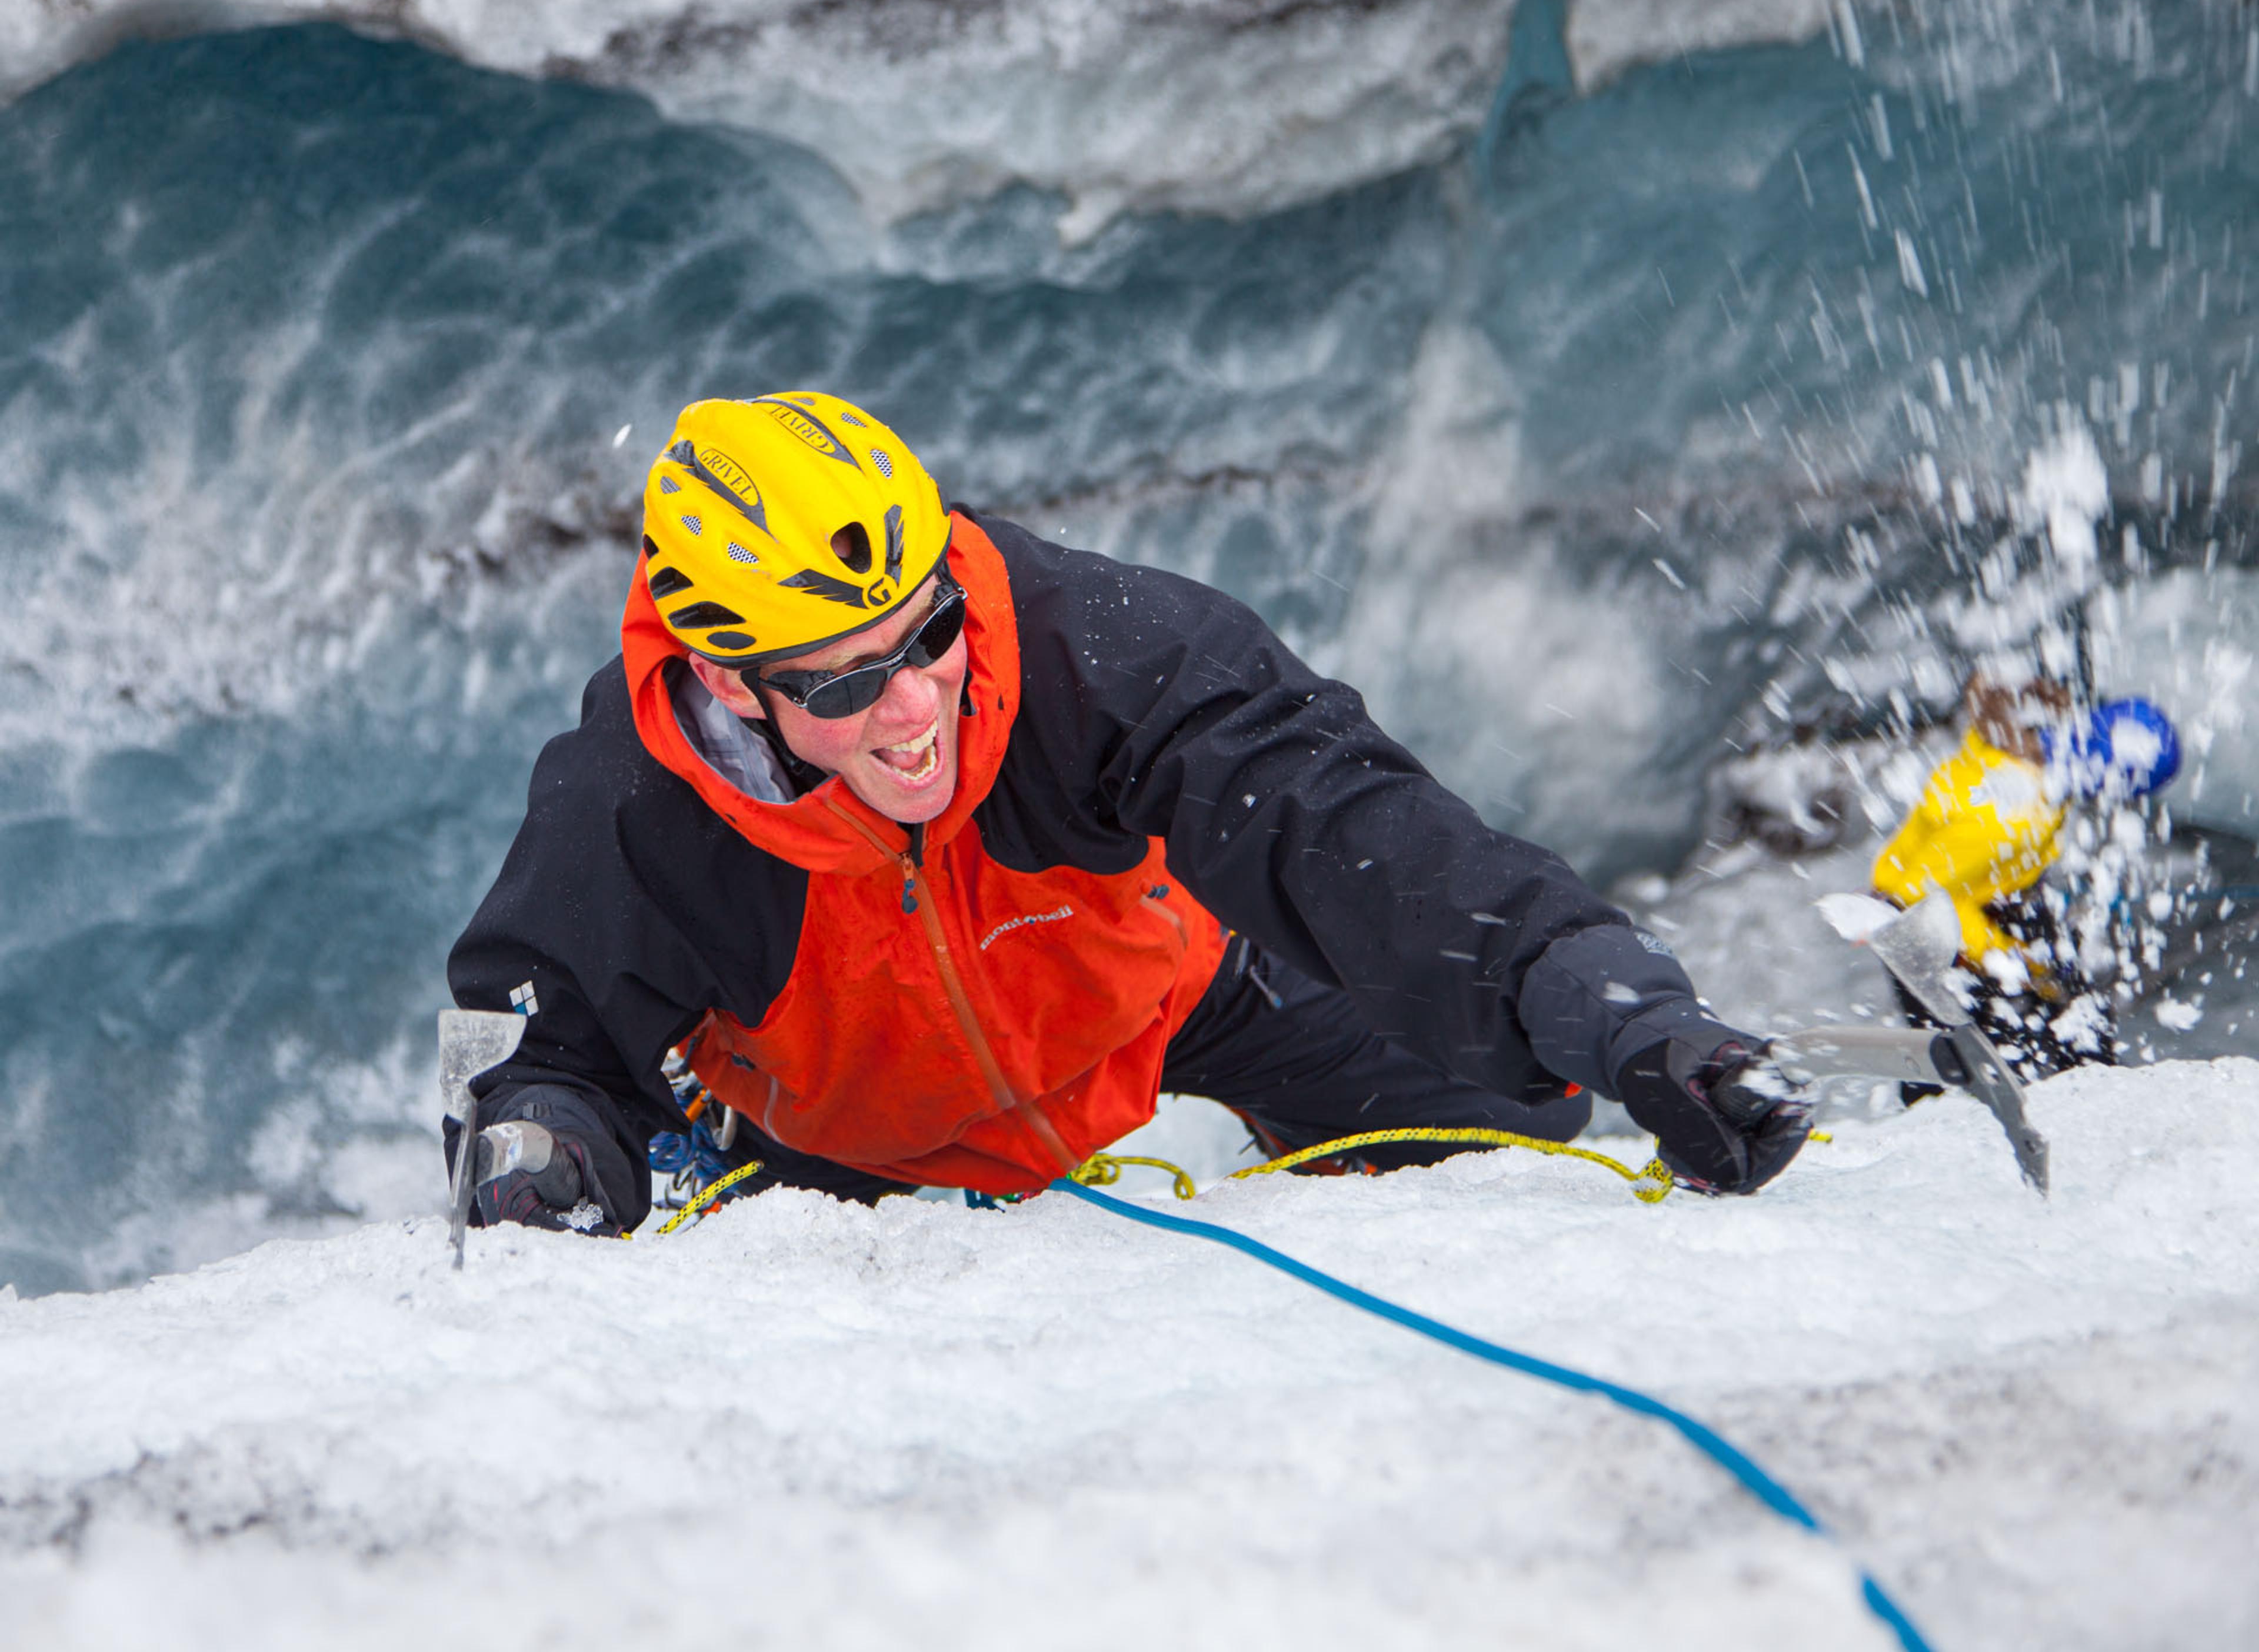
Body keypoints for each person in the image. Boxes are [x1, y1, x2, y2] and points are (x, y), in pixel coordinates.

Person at [446, 392, 1810, 1234]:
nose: (913, 705)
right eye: (846, 681)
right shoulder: (634, 803)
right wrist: (541, 1160)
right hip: (831, 1136)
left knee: (1513, 1140)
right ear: (730, 687)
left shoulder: (1079, 643)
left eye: (925, 637)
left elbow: (1333, 815)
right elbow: (542, 1048)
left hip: (1165, 994)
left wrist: (1603, 998)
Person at [1870, 672, 2180, 1086]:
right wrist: (2009, 960)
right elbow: (1921, 897)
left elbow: (1983, 697)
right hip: (1925, 921)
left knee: (2079, 1002)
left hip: (1989, 892)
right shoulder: (2012, 818)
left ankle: (2093, 1085)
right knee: (1971, 1050)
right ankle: (1940, 1113)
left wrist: (2022, 688)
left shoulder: (2011, 748)